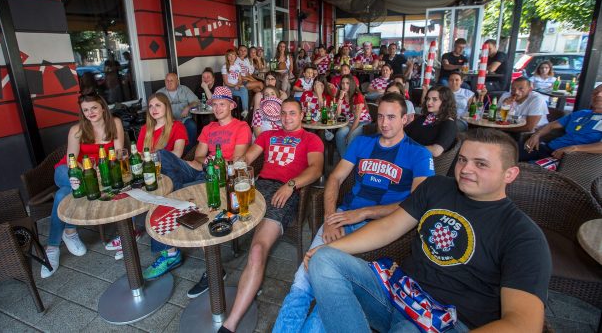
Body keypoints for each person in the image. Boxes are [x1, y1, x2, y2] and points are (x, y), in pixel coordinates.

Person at [306, 129, 551, 332]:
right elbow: (388, 227)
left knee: (407, 330)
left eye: (481, 164)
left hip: (448, 322)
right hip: (399, 294)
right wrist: (328, 248)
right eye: (463, 160)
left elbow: (524, 324)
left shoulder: (523, 235)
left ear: (510, 174)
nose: (466, 169)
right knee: (324, 259)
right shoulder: (437, 187)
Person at [274, 93, 435, 332]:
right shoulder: (362, 143)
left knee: (331, 289)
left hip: (379, 227)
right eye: (381, 116)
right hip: (342, 216)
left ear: (405, 119)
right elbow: (335, 178)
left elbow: (417, 203)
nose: (384, 123)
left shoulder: (419, 154)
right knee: (303, 280)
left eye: (391, 117)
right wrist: (330, 218)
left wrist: (363, 213)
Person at [218, 100, 324, 333]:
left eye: (292, 113)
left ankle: (230, 324)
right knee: (215, 220)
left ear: (302, 115)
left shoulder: (311, 139)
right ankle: (213, 272)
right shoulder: (268, 135)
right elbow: (246, 159)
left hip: (284, 191)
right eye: (283, 113)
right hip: (257, 188)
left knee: (257, 250)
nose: (287, 117)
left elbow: (316, 169)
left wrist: (291, 185)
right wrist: (232, 169)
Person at [151, 87, 252, 283]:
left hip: (221, 176)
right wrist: (200, 162)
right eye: (214, 104)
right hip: (202, 169)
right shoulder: (208, 128)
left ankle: (175, 205)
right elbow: (198, 156)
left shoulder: (241, 127)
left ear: (231, 106)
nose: (217, 108)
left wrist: (213, 164)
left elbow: (238, 160)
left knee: (173, 193)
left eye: (222, 104)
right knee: (163, 155)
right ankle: (176, 197)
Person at [42, 93, 124, 278]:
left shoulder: (115, 123)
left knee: (62, 195)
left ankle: (57, 242)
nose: (90, 113)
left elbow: (118, 152)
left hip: (99, 171)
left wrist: (104, 167)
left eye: (94, 108)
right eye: (85, 110)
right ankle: (65, 236)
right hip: (69, 171)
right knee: (78, 184)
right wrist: (89, 173)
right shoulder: (77, 130)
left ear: (103, 107)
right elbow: (71, 159)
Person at [106, 93, 188, 261]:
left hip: (170, 172)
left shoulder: (177, 126)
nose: (153, 109)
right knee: (126, 188)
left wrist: (152, 156)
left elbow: (177, 154)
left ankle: (169, 251)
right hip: (148, 172)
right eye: (150, 106)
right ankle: (129, 234)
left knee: (154, 188)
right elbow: (139, 156)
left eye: (158, 105)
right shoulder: (145, 129)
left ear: (166, 107)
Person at [521, 83, 602, 162]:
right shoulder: (581, 113)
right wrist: (536, 135)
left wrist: (574, 148)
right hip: (548, 149)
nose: (598, 95)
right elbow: (551, 125)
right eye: (595, 92)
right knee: (514, 151)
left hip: (570, 159)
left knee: (522, 167)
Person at [405, 85, 457, 157]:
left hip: (422, 159)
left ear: (445, 102)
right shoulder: (425, 118)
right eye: (428, 99)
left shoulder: (448, 124)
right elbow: (404, 132)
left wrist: (409, 148)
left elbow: (436, 151)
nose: (429, 102)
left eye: (434, 99)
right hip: (407, 154)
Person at [157, 73, 199, 149]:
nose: (169, 83)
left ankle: (189, 152)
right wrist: (167, 117)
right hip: (168, 121)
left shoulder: (184, 89)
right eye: (167, 81)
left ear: (177, 81)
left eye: (171, 80)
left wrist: (188, 107)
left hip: (184, 119)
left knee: (192, 126)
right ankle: (171, 153)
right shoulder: (160, 93)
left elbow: (196, 101)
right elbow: (156, 108)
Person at [335, 75, 372, 157]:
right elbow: (337, 115)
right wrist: (340, 98)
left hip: (363, 121)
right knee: (339, 134)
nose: (344, 86)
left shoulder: (358, 96)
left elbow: (357, 118)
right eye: (343, 83)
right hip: (349, 121)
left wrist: (349, 133)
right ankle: (344, 158)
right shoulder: (341, 95)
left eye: (347, 83)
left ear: (351, 84)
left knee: (351, 137)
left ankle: (349, 160)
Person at [221, 48, 249, 116]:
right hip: (228, 88)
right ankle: (245, 112)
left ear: (235, 56)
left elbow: (240, 79)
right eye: (229, 55)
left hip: (237, 86)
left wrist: (238, 85)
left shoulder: (237, 66)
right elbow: (226, 82)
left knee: (244, 90)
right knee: (243, 93)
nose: (231, 57)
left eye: (233, 55)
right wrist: (235, 86)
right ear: (227, 57)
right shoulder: (224, 67)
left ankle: (245, 111)